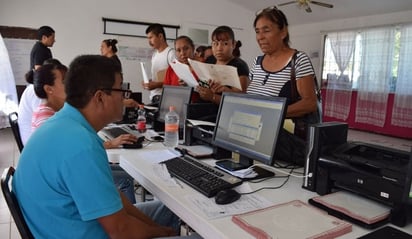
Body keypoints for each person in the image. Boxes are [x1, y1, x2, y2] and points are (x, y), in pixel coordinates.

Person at [13, 55, 202, 239]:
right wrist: (162, 232)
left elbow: (114, 199)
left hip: (70, 225)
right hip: (92, 232)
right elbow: (121, 231)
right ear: (100, 97)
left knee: (167, 209)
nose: (124, 97)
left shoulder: (64, 125)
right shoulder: (80, 145)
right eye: (120, 89)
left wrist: (155, 227)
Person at [247, 6, 319, 165]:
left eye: (266, 30)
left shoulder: (298, 60)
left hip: (285, 141)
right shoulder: (257, 62)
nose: (260, 37)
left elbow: (310, 103)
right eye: (257, 31)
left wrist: (272, 114)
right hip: (254, 137)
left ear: (283, 32)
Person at [18, 26, 55, 145]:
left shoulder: (43, 48)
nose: (54, 40)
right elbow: (39, 68)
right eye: (52, 37)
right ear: (44, 37)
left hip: (36, 139)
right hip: (33, 144)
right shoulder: (37, 92)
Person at [196, 25, 249, 105]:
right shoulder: (210, 60)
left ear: (233, 44)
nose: (219, 48)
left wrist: (213, 97)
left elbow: (240, 101)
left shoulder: (239, 66)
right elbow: (203, 85)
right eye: (215, 43)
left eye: (225, 43)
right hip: (201, 107)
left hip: (220, 114)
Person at [100, 38, 139, 108]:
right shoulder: (112, 61)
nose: (101, 49)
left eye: (103, 47)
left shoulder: (112, 62)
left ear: (110, 48)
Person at [144, 23, 175, 104]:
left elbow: (174, 81)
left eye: (151, 37)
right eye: (148, 38)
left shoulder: (171, 53)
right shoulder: (155, 55)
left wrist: (156, 85)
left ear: (160, 36)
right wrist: (149, 82)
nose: (149, 42)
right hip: (153, 96)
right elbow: (157, 78)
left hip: (165, 97)